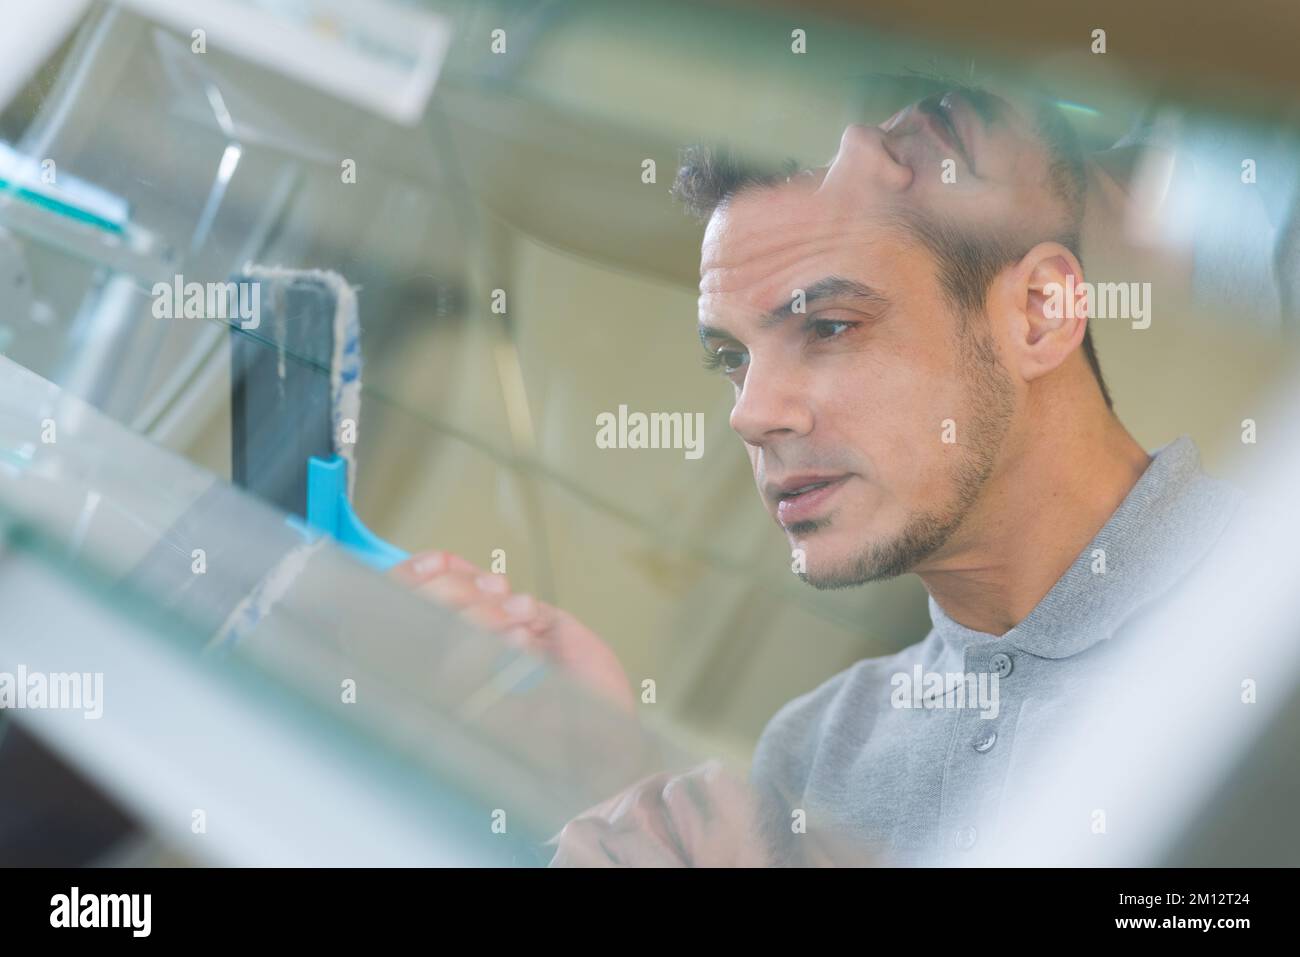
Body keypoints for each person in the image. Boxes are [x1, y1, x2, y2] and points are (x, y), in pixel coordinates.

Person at [393, 85, 1243, 865]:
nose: (752, 413)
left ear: (1038, 313)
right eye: (731, 357)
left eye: (829, 327)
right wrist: (616, 771)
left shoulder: (1263, 635)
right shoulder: (814, 750)